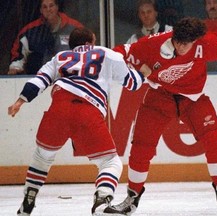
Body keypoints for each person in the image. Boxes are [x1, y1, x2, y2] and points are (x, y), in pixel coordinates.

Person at [112, 17, 217, 216]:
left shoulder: (208, 42)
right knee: (141, 147)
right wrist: (102, 59)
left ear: (196, 40)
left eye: (186, 43)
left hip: (193, 99)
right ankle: (132, 198)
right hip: (159, 96)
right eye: (178, 42)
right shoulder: (153, 43)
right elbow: (122, 52)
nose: (181, 47)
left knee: (215, 140)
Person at [8, 27, 151, 216]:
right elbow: (132, 83)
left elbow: (40, 80)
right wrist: (143, 73)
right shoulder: (107, 53)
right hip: (87, 110)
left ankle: (29, 198)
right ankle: (101, 200)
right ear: (91, 42)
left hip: (58, 108)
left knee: (42, 157)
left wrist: (21, 100)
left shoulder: (60, 57)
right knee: (110, 162)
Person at [7, 0, 83, 75]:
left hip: (68, 78)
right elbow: (18, 54)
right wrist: (15, 68)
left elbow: (86, 51)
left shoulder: (75, 28)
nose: (48, 9)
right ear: (41, 10)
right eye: (44, 7)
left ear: (57, 7)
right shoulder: (30, 31)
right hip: (40, 78)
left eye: (51, 6)